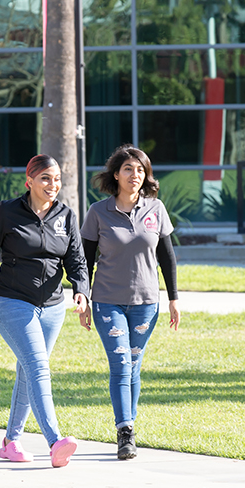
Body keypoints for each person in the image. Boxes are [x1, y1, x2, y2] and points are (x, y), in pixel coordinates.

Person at [0, 154, 89, 468]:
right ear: (29, 181)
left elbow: (77, 261)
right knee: (38, 367)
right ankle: (55, 441)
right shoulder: (7, 213)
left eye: (57, 179)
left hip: (53, 307)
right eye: (45, 178)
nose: (52, 185)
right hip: (13, 302)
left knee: (28, 372)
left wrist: (81, 290)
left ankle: (10, 441)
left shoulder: (66, 216)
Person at [79, 144, 180, 461]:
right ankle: (125, 433)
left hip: (146, 303)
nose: (134, 175)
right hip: (108, 302)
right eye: (128, 169)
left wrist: (174, 299)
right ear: (115, 175)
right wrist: (82, 296)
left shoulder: (156, 209)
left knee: (133, 366)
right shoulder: (98, 212)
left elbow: (167, 258)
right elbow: (85, 260)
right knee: (122, 364)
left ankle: (128, 424)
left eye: (140, 169)